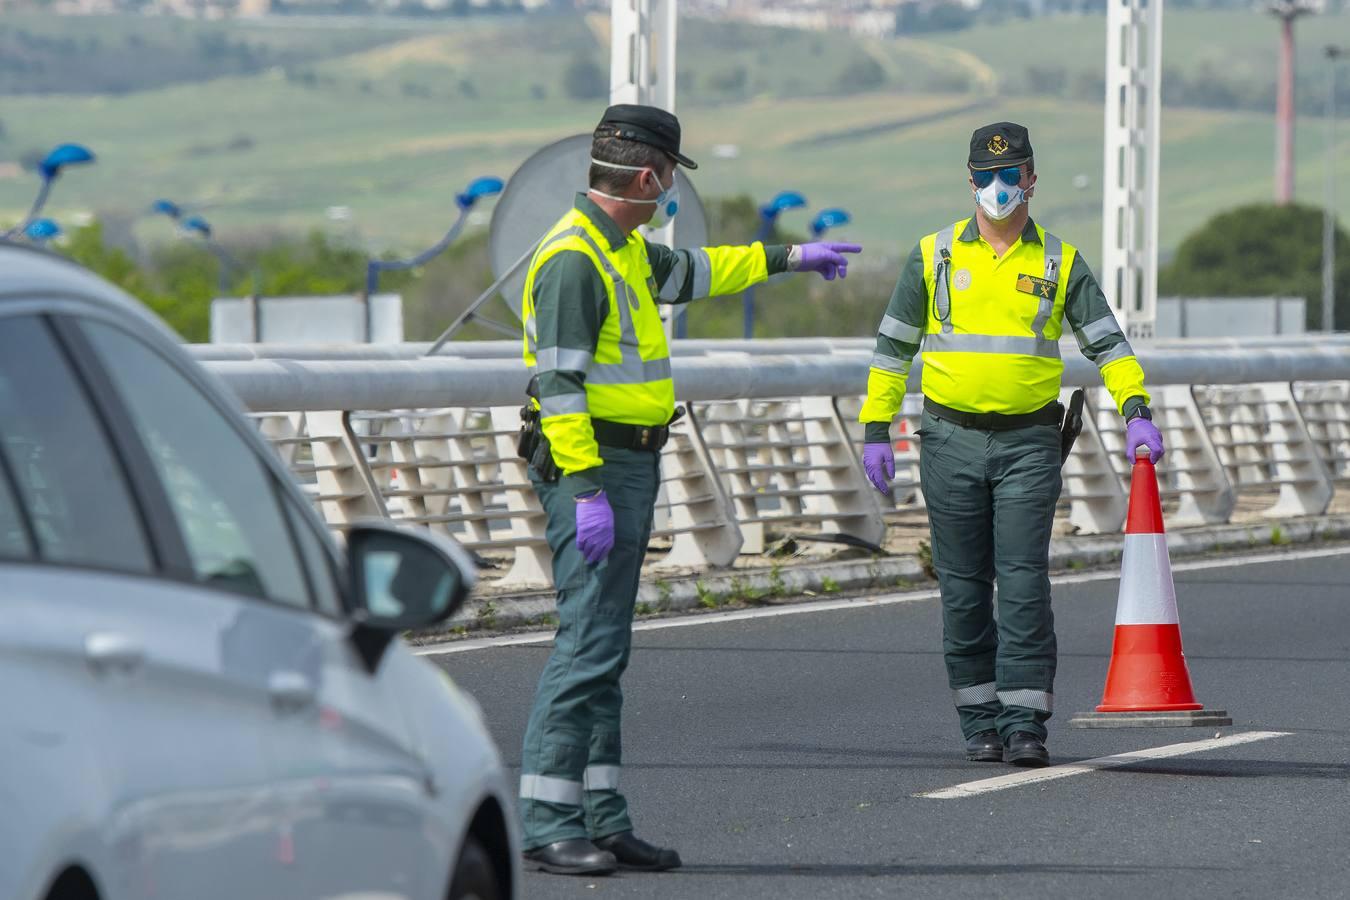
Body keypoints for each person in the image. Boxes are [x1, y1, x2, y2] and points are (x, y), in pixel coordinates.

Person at [518, 103, 861, 876]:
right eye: (670, 178)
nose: (671, 192)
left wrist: (790, 256)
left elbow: (697, 273)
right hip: (596, 466)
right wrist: (586, 488)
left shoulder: (623, 250)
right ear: (650, 175)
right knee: (586, 645)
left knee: (606, 649)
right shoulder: (576, 259)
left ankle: (603, 817)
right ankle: (546, 821)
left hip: (628, 461)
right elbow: (560, 383)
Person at [857, 122, 1164, 769]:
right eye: (987, 177)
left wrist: (1137, 408)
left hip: (1028, 442)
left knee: (1023, 583)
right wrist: (875, 428)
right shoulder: (934, 256)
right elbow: (892, 349)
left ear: (1031, 178)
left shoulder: (1059, 261)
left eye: (1012, 175)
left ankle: (1026, 721)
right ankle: (979, 720)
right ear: (970, 181)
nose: (1000, 188)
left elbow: (1107, 342)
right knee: (964, 588)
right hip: (948, 440)